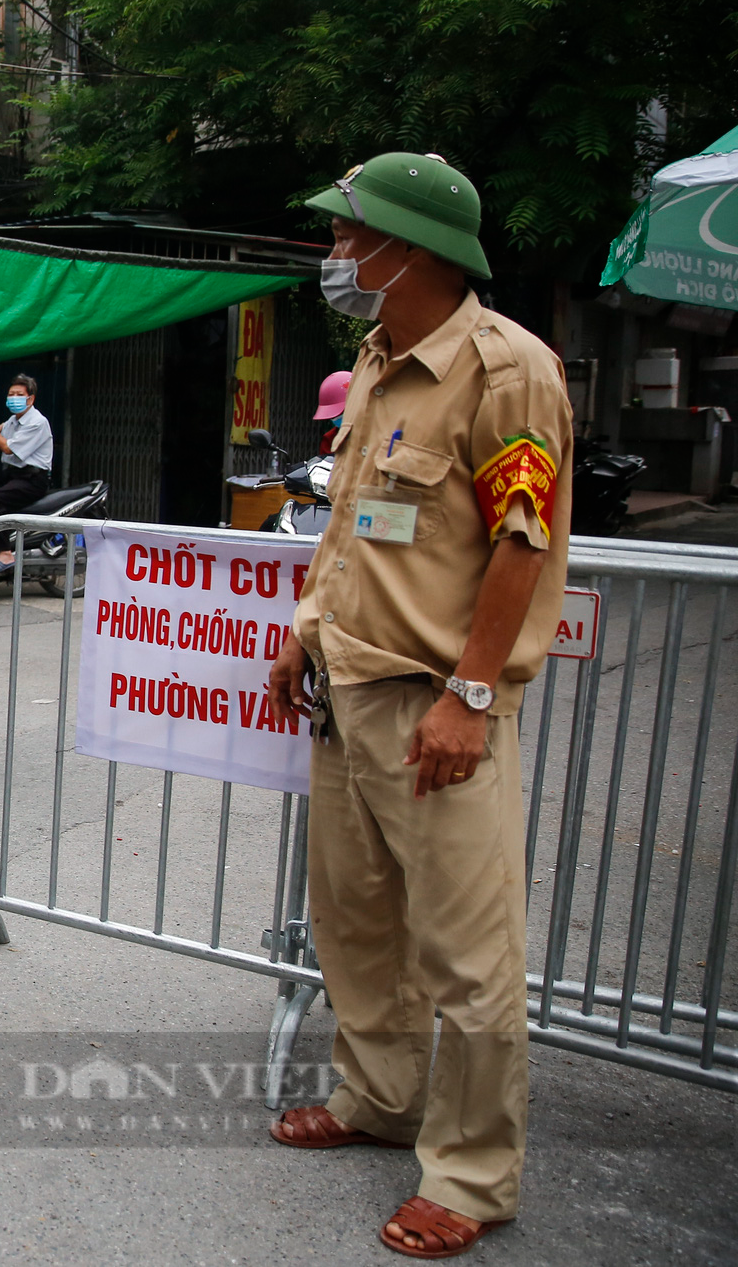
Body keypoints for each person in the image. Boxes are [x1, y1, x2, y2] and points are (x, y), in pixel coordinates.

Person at [263, 152, 571, 1260]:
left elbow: (519, 546)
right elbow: (349, 527)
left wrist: (470, 695)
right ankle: (377, 1098)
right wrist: (301, 637)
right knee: (354, 924)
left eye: (350, 236)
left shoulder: (506, 372)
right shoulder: (378, 358)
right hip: (346, 695)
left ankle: (473, 1173)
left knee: (466, 952)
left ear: (412, 251)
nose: (335, 254)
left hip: (437, 710)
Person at [0, 373, 55, 577]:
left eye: (19, 394)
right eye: (11, 394)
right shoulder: (13, 421)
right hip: (13, 477)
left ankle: (5, 553)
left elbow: (5, 447)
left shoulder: (37, 422)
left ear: (30, 398)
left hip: (32, 480)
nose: (13, 398)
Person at [313, 369, 353, 454]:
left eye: (341, 413)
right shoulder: (329, 439)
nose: (336, 418)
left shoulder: (378, 434)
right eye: (333, 416)